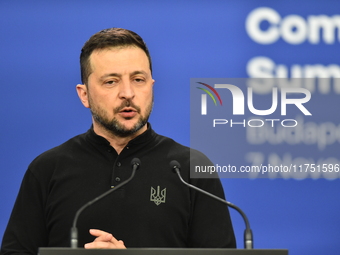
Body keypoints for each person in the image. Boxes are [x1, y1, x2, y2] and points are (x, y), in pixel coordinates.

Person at [1, 28, 236, 254]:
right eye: (111, 81)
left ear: (151, 86)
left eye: (138, 79)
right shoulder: (47, 170)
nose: (128, 93)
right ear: (84, 95)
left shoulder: (190, 169)